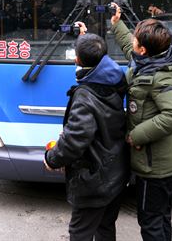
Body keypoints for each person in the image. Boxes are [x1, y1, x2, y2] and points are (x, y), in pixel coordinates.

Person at [110, 5, 172, 241]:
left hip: (156, 165)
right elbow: (129, 49)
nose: (132, 43)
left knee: (150, 221)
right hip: (162, 159)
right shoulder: (153, 59)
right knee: (160, 214)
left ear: (143, 49)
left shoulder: (161, 76)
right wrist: (117, 24)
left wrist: (136, 135)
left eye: (136, 40)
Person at [44, 33, 129, 241]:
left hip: (94, 177)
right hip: (116, 170)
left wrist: (51, 158)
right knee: (106, 227)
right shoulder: (115, 78)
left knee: (80, 233)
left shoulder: (86, 95)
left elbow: (75, 139)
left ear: (78, 60)